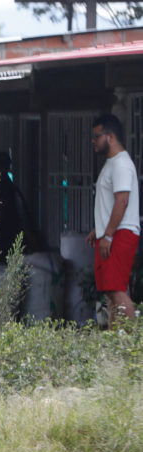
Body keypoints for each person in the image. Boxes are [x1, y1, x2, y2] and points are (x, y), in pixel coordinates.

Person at [84, 114, 140, 328]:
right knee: (110, 291)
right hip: (111, 232)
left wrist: (107, 234)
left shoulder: (121, 165)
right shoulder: (112, 164)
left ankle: (135, 341)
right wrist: (97, 229)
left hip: (119, 233)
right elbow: (110, 204)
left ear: (111, 137)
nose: (93, 141)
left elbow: (122, 201)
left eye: (96, 136)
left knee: (116, 290)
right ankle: (115, 344)